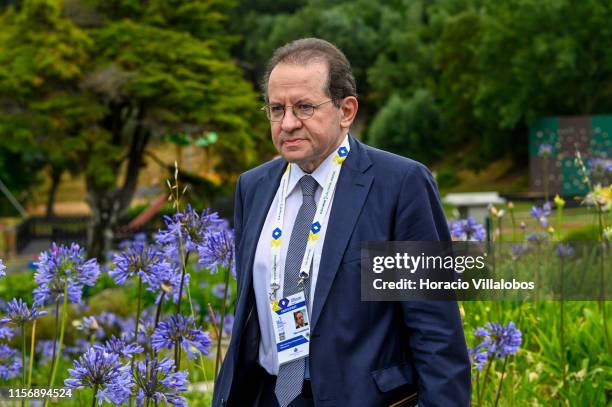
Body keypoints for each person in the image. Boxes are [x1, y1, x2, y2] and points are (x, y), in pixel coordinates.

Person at [213, 38, 470, 407]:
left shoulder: (399, 185)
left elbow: (436, 331)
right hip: (268, 395)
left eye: (304, 107)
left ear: (346, 110)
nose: (287, 123)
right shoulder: (253, 186)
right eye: (275, 109)